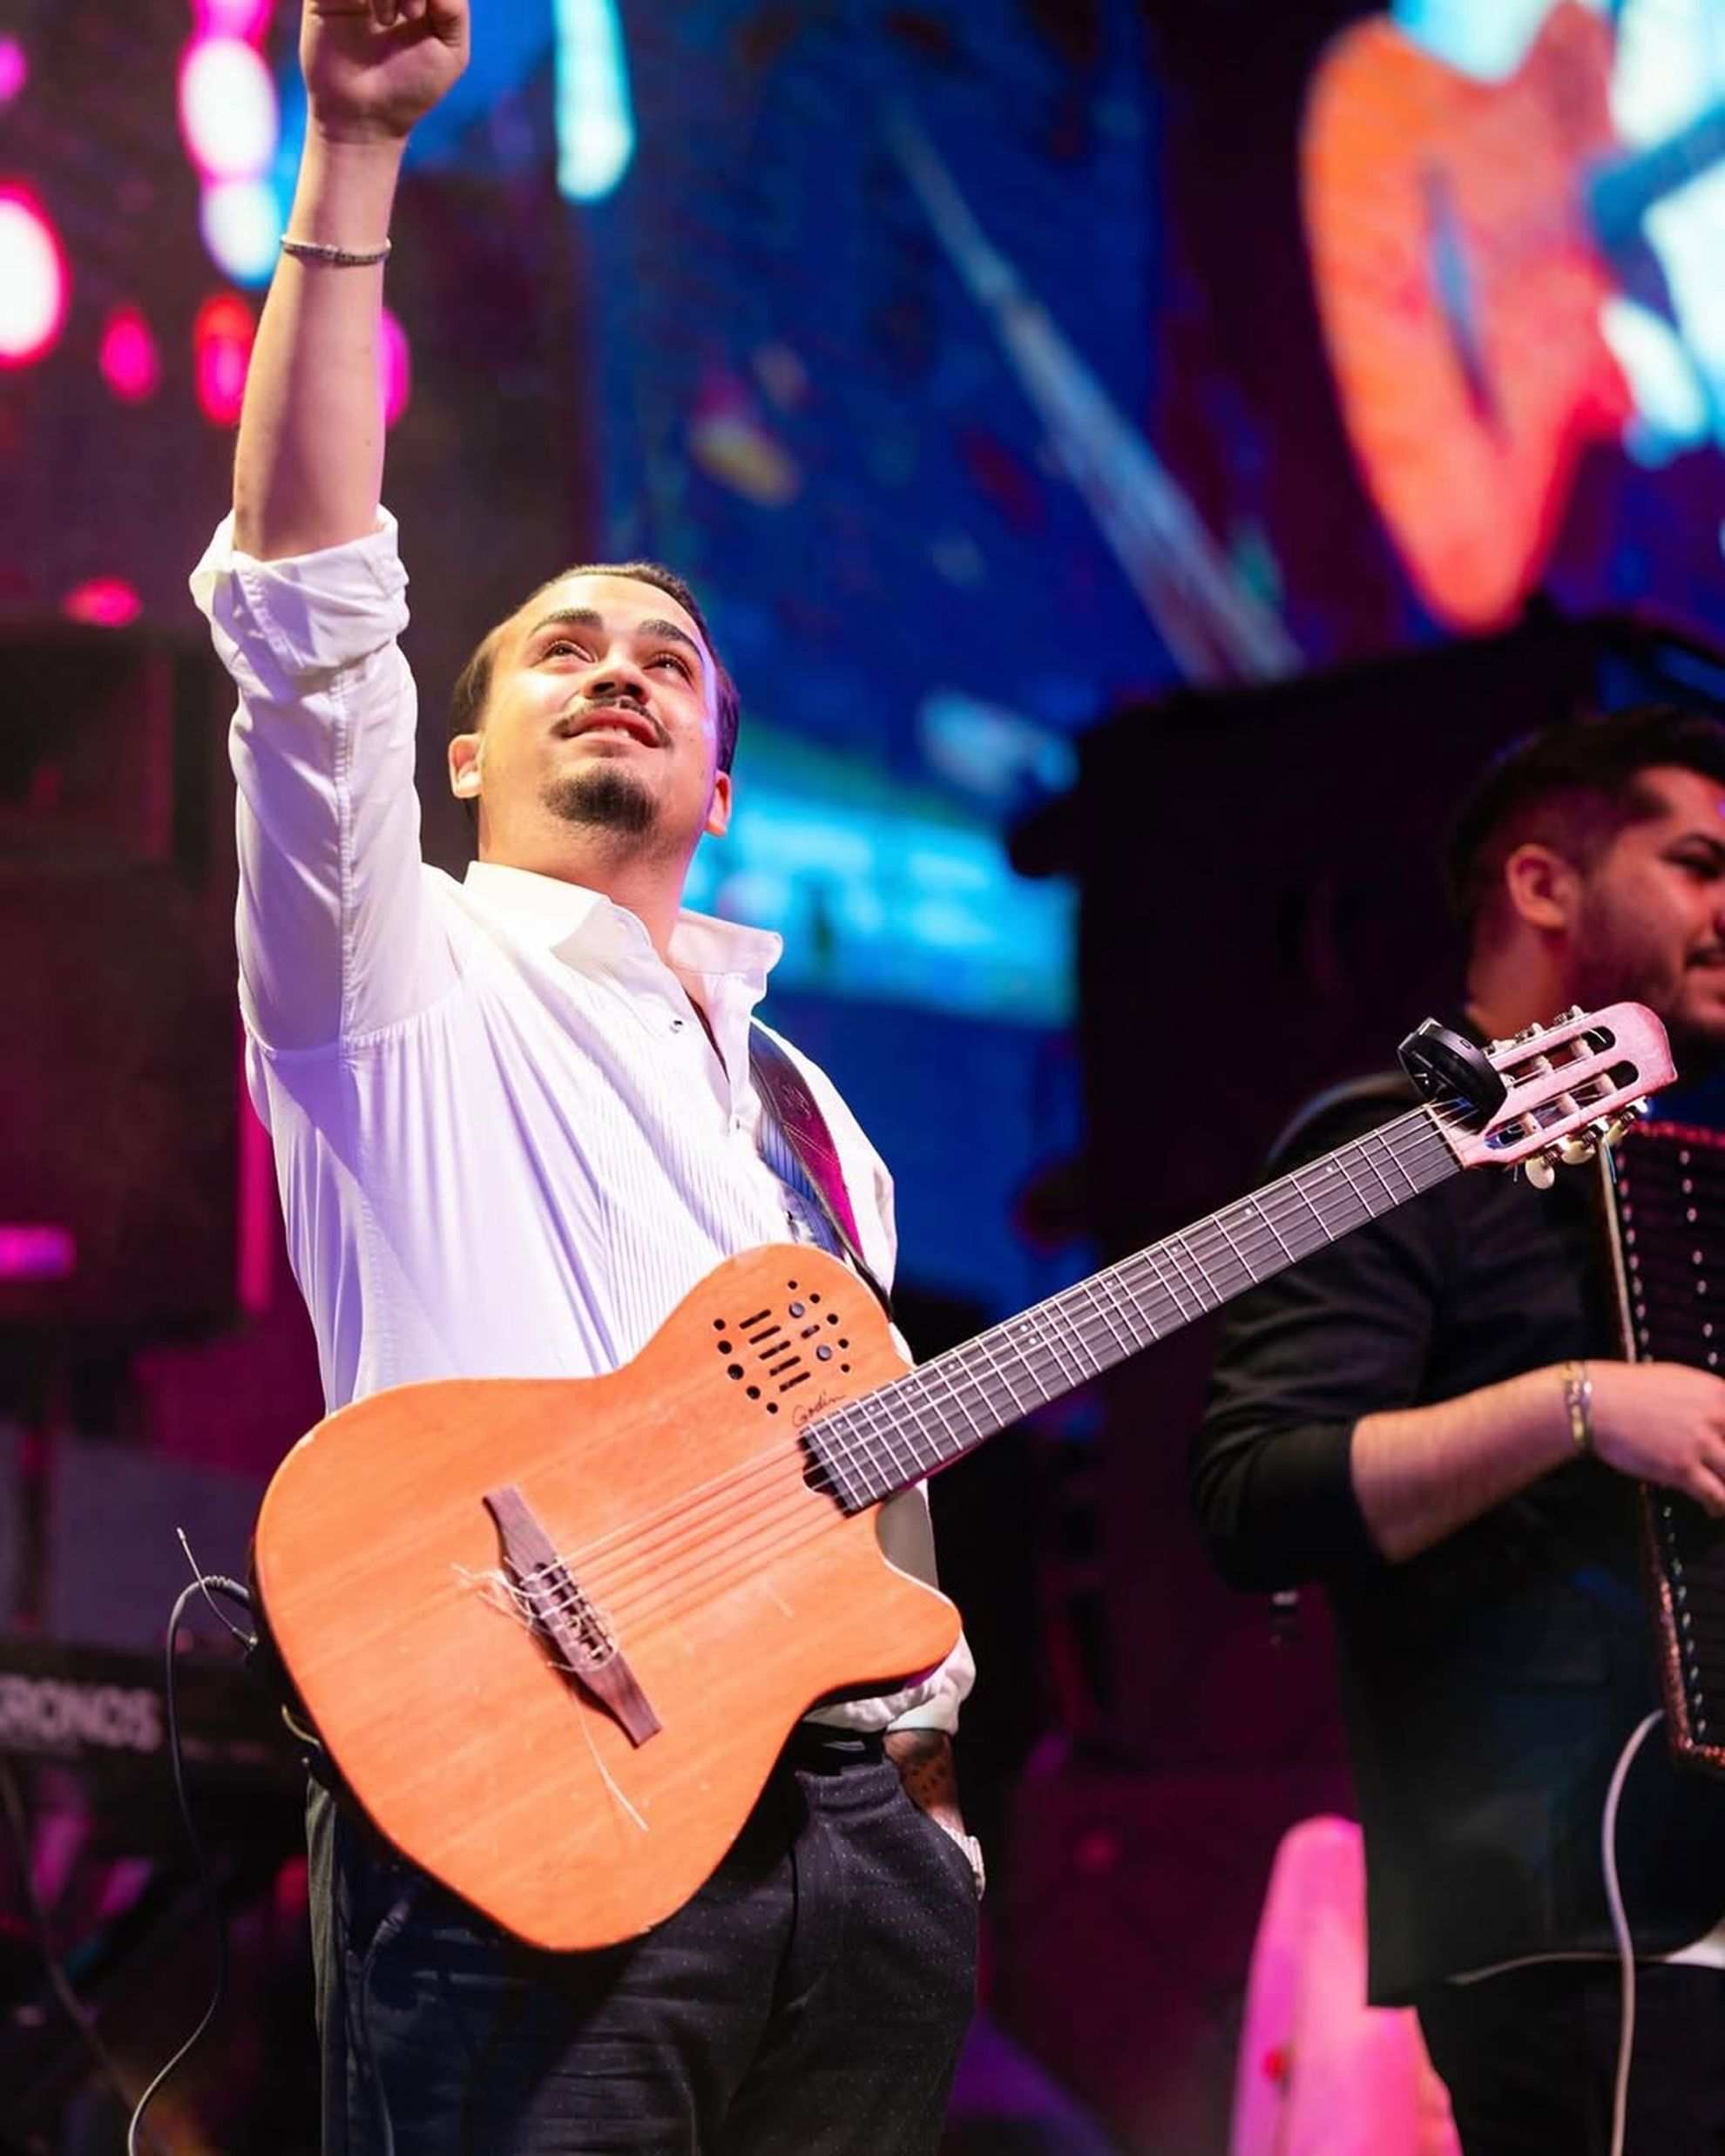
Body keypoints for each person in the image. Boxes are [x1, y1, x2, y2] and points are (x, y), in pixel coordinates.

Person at [189, 3, 980, 2149]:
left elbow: (872, 1481)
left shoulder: (818, 1119)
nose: (619, 667)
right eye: (563, 646)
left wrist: (932, 1799)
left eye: (668, 661)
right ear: (461, 756)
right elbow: (306, 611)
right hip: (528, 1815)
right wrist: (353, 156)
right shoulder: (392, 970)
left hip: (852, 1855)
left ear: (721, 782)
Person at [1190, 702, 1725, 2152]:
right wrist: (1580, 1407)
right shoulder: (1387, 1151)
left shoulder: (1673, 1165)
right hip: (1586, 1919)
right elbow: (1257, 1492)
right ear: (1544, 884)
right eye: (1697, 865)